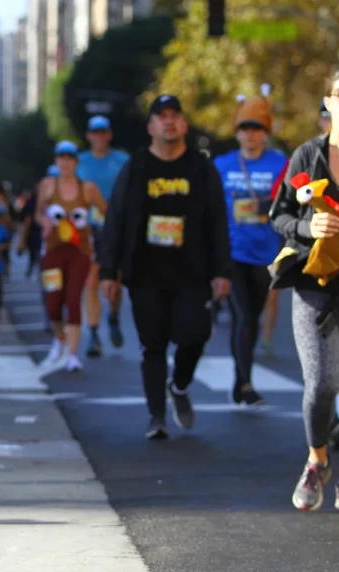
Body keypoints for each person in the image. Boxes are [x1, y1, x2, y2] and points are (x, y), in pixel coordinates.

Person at [269, 68, 339, 513]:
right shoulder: (307, 157)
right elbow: (277, 217)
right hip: (316, 285)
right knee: (322, 382)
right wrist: (307, 226)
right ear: (329, 104)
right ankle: (316, 461)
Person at [99, 95, 232, 440]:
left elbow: (219, 220)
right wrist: (107, 270)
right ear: (151, 126)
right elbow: (115, 218)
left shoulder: (201, 167)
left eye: (175, 116)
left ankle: (181, 385)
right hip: (145, 272)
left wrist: (222, 270)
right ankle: (156, 416)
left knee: (196, 334)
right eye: (162, 117)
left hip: (193, 271)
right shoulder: (137, 166)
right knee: (153, 345)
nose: (169, 122)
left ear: (184, 124)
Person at [212, 88, 288, 407]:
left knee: (253, 317)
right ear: (237, 132)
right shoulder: (222, 165)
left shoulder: (281, 164)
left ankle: (239, 379)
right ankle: (245, 383)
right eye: (245, 127)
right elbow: (210, 209)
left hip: (266, 253)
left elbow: (292, 202)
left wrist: (268, 205)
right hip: (233, 254)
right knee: (242, 316)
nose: (250, 134)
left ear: (265, 132)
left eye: (256, 127)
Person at [38, 141, 106, 372]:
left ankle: (73, 354)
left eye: (69, 158)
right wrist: (44, 221)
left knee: (73, 298)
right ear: (56, 161)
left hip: (80, 252)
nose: (65, 163)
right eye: (61, 158)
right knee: (53, 304)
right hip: (53, 251)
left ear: (76, 162)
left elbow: (107, 210)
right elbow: (38, 212)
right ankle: (60, 338)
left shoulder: (87, 188)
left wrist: (95, 225)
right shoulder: (47, 186)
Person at [76, 116, 130, 357]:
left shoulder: (121, 161)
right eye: (94, 132)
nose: (99, 136)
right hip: (88, 230)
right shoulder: (79, 162)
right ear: (88, 135)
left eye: (103, 132)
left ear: (109, 135)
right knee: (90, 281)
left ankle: (114, 316)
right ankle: (94, 333)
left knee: (114, 281)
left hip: (115, 228)